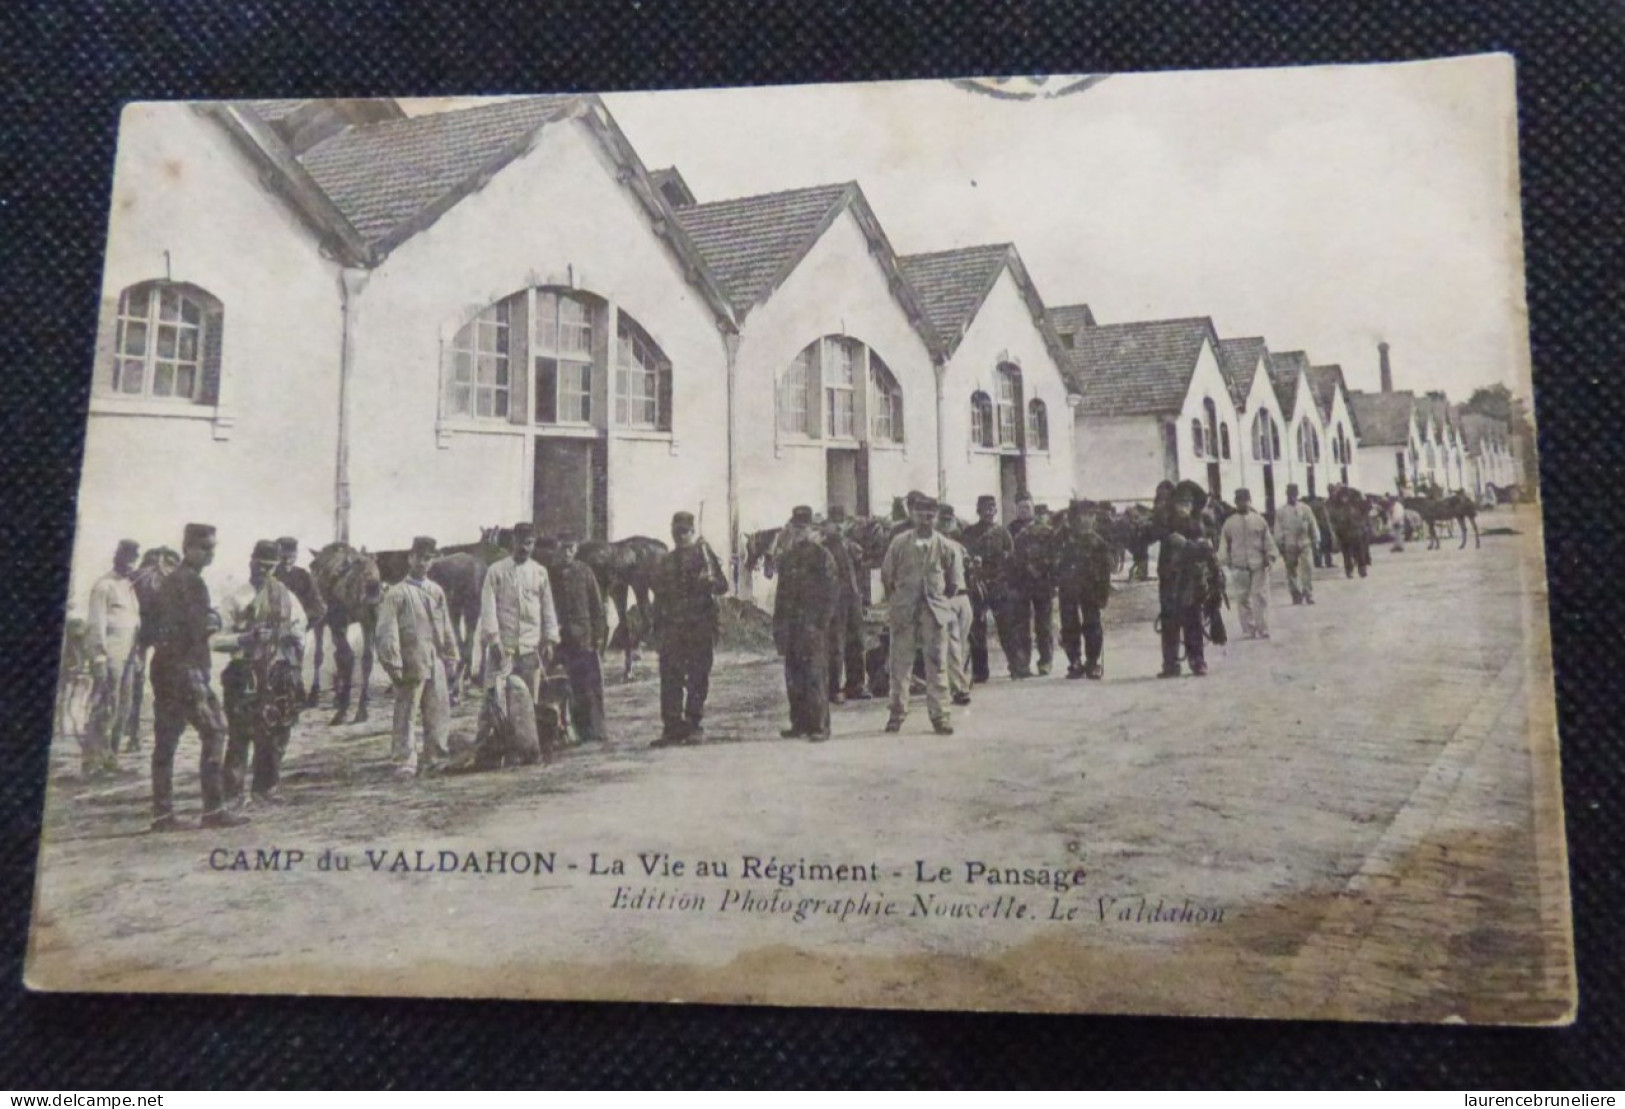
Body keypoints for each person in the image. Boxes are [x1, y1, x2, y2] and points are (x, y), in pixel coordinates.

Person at [148, 523, 244, 830]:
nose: (210, 554)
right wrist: (216, 624)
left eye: (213, 548)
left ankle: (162, 814)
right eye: (205, 548)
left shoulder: (169, 581)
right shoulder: (192, 583)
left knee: (166, 740)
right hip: (187, 668)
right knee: (215, 731)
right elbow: (200, 628)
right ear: (188, 547)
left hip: (164, 667)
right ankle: (213, 810)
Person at [219, 539, 306, 809]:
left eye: (270, 567)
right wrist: (245, 638)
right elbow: (214, 640)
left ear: (277, 566)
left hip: (277, 672)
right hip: (244, 672)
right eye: (259, 565)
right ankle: (233, 794)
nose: (264, 571)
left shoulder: (286, 596)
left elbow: (301, 631)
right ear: (250, 562)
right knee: (240, 734)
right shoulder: (236, 597)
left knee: (275, 733)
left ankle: (265, 788)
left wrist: (289, 640)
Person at [377, 536, 461, 777]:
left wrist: (451, 656)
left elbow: (446, 626)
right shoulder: (397, 593)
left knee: (438, 710)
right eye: (419, 558)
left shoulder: (436, 591)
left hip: (435, 661)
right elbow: (386, 631)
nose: (423, 563)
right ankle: (404, 761)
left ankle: (436, 756)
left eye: (428, 558)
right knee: (407, 711)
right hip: (410, 661)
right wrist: (392, 662)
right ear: (410, 558)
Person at [880, 492, 960, 735]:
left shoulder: (946, 546)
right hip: (904, 610)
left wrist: (938, 600)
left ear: (936, 518)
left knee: (937, 663)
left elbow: (954, 581)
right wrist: (900, 600)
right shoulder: (899, 543)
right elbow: (887, 576)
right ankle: (896, 713)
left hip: (934, 612)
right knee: (900, 664)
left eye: (930, 515)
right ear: (912, 515)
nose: (925, 519)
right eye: (920, 514)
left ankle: (941, 716)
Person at [651, 511, 730, 746]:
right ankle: (672, 727)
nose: (681, 536)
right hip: (672, 629)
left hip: (699, 628)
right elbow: (659, 598)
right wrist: (657, 630)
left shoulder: (704, 556)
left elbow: (722, 586)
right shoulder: (665, 561)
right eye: (677, 532)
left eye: (685, 532)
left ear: (692, 532)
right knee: (670, 679)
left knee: (697, 677)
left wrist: (710, 581)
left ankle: (694, 724)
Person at [773, 508, 841, 741]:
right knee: (794, 676)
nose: (801, 532)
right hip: (792, 625)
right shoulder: (788, 557)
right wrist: (779, 627)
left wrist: (822, 623)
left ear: (814, 530)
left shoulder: (822, 556)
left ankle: (820, 726)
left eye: (805, 528)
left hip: (813, 625)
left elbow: (832, 592)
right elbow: (780, 596)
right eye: (797, 528)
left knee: (815, 676)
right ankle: (799, 724)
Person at [478, 521, 560, 710]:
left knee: (529, 702)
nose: (525, 548)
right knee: (494, 700)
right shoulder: (496, 571)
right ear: (513, 541)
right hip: (503, 648)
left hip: (530, 648)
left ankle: (525, 739)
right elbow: (488, 609)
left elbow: (547, 608)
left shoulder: (540, 572)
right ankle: (492, 739)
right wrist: (494, 639)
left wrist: (549, 639)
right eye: (521, 542)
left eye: (529, 543)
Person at [82, 539, 142, 777]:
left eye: (133, 559)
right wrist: (98, 658)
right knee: (105, 707)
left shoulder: (129, 586)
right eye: (126, 557)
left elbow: (134, 623)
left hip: (128, 656)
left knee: (123, 708)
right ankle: (92, 762)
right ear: (117, 557)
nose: (130, 563)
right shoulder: (104, 585)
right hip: (110, 656)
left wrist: (136, 655)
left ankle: (110, 758)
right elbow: (96, 624)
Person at [551, 533, 609, 744]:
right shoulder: (552, 574)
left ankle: (595, 731)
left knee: (590, 687)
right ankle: (570, 731)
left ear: (575, 550)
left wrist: (599, 638)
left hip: (584, 637)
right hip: (561, 639)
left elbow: (597, 606)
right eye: (563, 548)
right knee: (567, 687)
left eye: (570, 548)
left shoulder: (585, 572)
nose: (566, 552)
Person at [1153, 482, 1210, 678]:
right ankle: (1170, 663)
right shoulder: (1165, 524)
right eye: (1180, 502)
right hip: (1169, 580)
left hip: (1191, 580)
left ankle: (1197, 661)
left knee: (1193, 620)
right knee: (1169, 621)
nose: (1184, 507)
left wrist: (1186, 545)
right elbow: (1151, 532)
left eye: (1188, 503)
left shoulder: (1198, 525)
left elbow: (1205, 552)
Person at [958, 494, 1016, 683]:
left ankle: (1016, 666)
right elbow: (963, 558)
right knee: (977, 628)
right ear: (978, 511)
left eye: (992, 508)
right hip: (978, 585)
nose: (988, 512)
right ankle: (980, 671)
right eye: (984, 508)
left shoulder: (1003, 533)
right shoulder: (969, 534)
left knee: (1006, 626)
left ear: (996, 510)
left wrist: (1004, 578)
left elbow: (1011, 559)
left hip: (999, 584)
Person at [1055, 503, 1113, 679]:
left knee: (1093, 625)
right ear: (1076, 519)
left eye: (1090, 515)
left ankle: (1093, 662)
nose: (1085, 519)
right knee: (1069, 625)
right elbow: (1055, 562)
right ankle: (1074, 661)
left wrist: (1103, 594)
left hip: (1091, 589)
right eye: (1082, 516)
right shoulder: (1065, 540)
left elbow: (1105, 571)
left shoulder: (1099, 543)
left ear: (1094, 518)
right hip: (1069, 589)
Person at [821, 506, 869, 702]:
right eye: (834, 523)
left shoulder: (850, 546)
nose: (838, 527)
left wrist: (863, 597)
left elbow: (860, 569)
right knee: (835, 645)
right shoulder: (823, 549)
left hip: (853, 598)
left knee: (857, 642)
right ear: (827, 526)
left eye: (841, 523)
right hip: (834, 600)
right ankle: (832, 689)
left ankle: (855, 685)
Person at [1219, 488, 1280, 639]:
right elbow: (1224, 544)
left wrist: (1270, 556)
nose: (1243, 503)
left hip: (1258, 564)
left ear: (1250, 500)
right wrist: (1224, 560)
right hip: (1239, 566)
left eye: (1245, 500)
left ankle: (1263, 628)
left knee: (1260, 596)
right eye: (1239, 500)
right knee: (1242, 597)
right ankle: (1248, 628)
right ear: (1235, 502)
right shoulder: (1229, 523)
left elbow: (1268, 540)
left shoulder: (1259, 520)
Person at [1006, 500, 1058, 677]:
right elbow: (1008, 556)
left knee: (1043, 625)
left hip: (1042, 583)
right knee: (1021, 626)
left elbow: (1053, 553)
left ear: (1033, 509)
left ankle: (1045, 661)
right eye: (1020, 508)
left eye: (1027, 507)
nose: (1024, 511)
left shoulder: (1046, 531)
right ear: (1016, 510)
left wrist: (1040, 568)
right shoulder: (1010, 531)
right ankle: (1022, 663)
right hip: (1020, 584)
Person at [935, 504, 975, 706]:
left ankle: (959, 684)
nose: (945, 523)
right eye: (942, 520)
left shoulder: (958, 546)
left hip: (962, 598)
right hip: (948, 599)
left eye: (948, 520)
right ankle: (960, 688)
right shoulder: (933, 545)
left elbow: (970, 572)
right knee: (952, 645)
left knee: (959, 645)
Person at [274, 536, 326, 684]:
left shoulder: (303, 576)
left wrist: (304, 624)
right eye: (283, 556)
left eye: (291, 556)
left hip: (297, 628)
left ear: (296, 555)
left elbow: (319, 606)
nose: (287, 560)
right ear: (277, 555)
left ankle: (296, 692)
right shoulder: (271, 575)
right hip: (273, 631)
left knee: (294, 666)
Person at [1273, 483, 1320, 605]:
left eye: (1294, 494)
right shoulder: (1281, 511)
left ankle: (1308, 593)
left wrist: (1316, 540)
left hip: (1305, 542)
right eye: (1290, 494)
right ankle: (1296, 595)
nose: (1292, 497)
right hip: (1289, 544)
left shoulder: (1305, 509)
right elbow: (1277, 529)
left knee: (1307, 568)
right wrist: (1280, 544)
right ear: (1286, 495)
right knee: (1291, 570)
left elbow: (1312, 524)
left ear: (1297, 494)